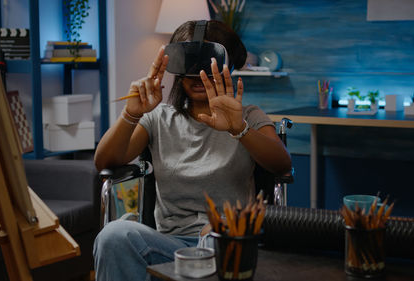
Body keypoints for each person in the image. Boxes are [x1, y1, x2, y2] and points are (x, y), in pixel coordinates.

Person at [93, 20, 291, 281]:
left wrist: (239, 129)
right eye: (188, 65)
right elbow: (104, 161)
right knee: (113, 236)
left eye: (208, 66)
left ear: (227, 67)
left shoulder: (248, 117)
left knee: (215, 238)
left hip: (224, 239)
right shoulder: (159, 119)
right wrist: (131, 113)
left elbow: (282, 165)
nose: (198, 76)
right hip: (168, 244)